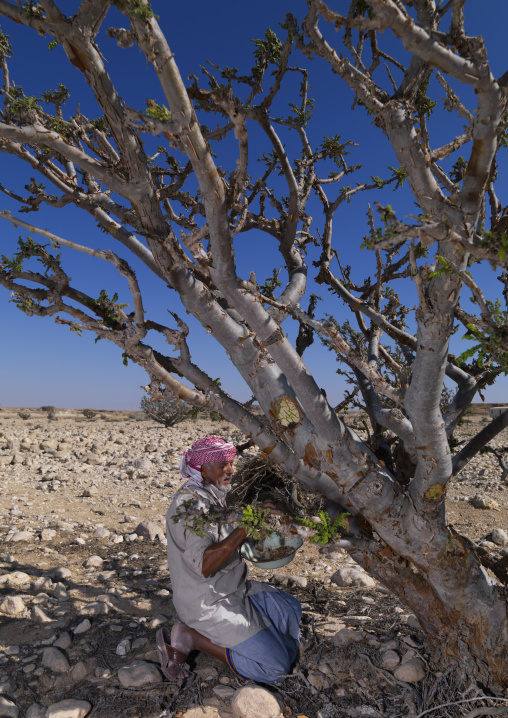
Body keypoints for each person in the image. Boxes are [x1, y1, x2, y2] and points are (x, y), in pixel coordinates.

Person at [157, 435, 301, 686]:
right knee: (276, 669)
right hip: (208, 602)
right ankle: (192, 637)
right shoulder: (191, 506)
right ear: (203, 468)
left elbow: (232, 540)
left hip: (235, 589)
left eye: (231, 463)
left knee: (291, 610)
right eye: (223, 465)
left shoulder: (214, 495)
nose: (230, 470)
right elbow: (204, 564)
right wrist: (247, 525)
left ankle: (256, 641)